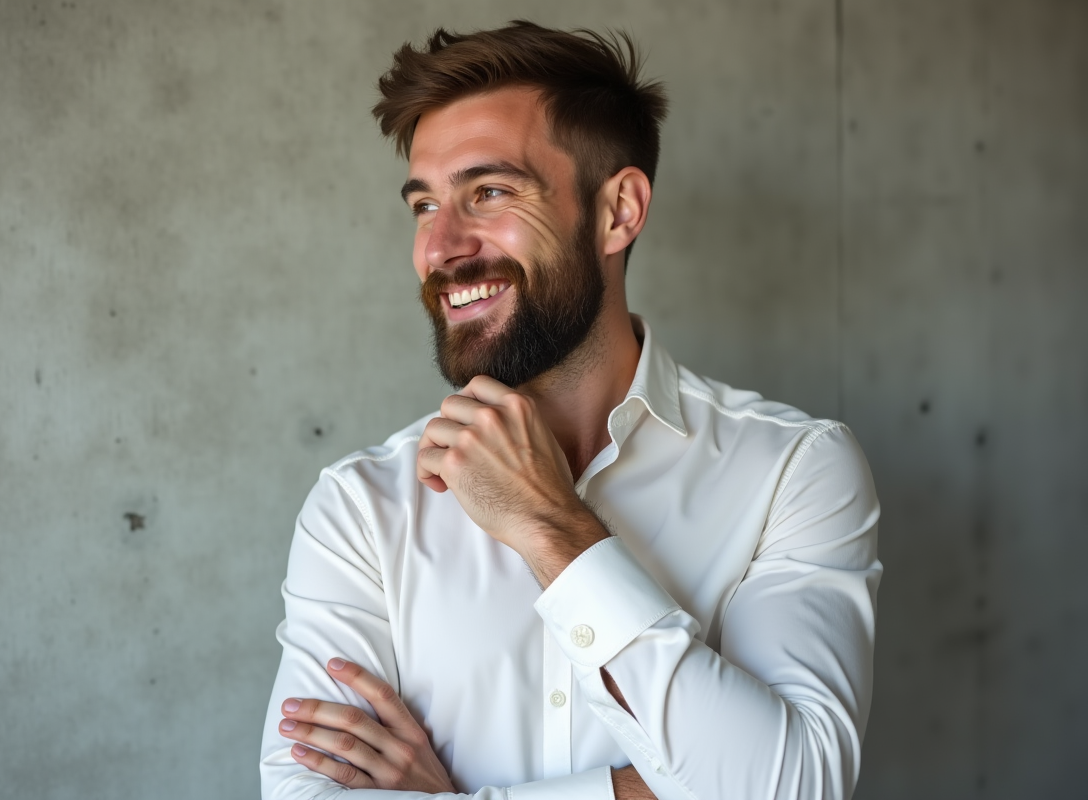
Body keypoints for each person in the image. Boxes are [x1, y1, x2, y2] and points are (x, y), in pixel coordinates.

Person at [259, 20, 881, 800]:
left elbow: (793, 787)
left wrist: (554, 531)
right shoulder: (363, 509)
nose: (439, 248)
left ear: (618, 211)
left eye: (488, 192)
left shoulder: (794, 470)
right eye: (424, 205)